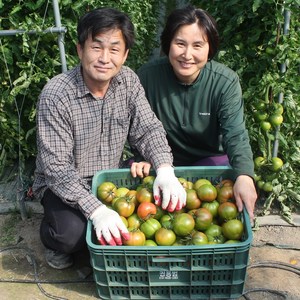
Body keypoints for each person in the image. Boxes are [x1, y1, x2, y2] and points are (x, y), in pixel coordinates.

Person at [32, 7, 186, 270]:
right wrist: (97, 211)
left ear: (125, 55)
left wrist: (165, 169)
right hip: (65, 184)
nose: (105, 58)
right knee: (72, 236)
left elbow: (148, 128)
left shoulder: (127, 82)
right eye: (97, 47)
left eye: (114, 49)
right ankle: (52, 237)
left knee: (159, 201)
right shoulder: (57, 94)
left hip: (109, 179)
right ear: (80, 50)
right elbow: (57, 170)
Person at [132, 5, 257, 221]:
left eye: (198, 45)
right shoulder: (147, 78)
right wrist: (143, 157)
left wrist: (245, 176)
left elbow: (235, 134)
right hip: (162, 165)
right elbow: (135, 126)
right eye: (180, 43)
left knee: (225, 208)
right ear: (168, 44)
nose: (187, 55)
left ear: (210, 49)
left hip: (210, 163)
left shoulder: (224, 82)